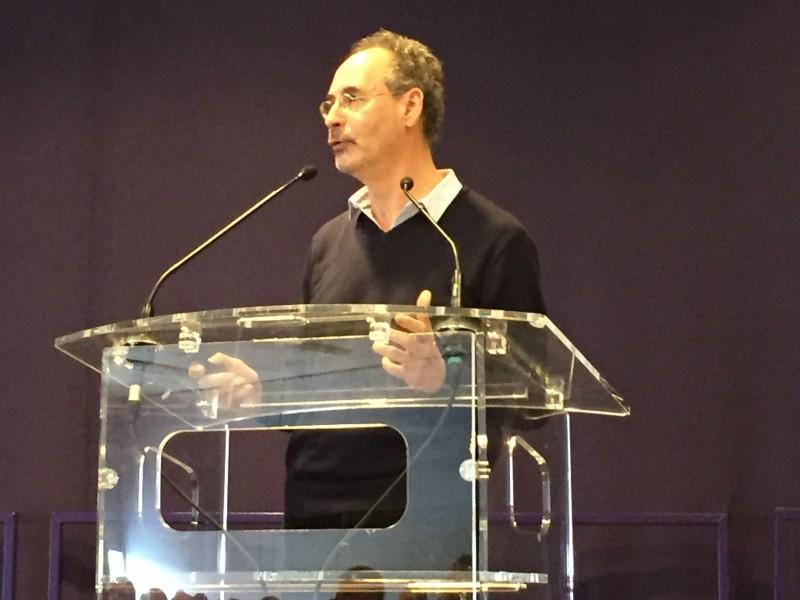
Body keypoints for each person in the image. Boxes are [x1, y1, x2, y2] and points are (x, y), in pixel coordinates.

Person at [192, 29, 545, 530]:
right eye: (329, 104)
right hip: (313, 518)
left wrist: (446, 380)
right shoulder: (328, 243)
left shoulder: (492, 239)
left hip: (426, 524)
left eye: (352, 99)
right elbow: (323, 389)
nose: (333, 117)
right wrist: (264, 395)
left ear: (410, 106)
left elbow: (535, 401)